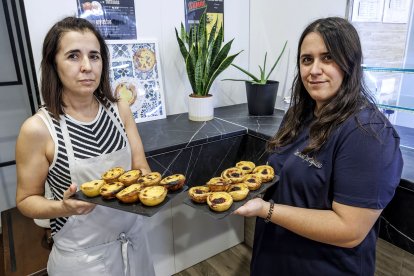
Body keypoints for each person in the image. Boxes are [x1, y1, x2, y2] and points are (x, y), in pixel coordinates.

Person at [234, 17, 403, 275]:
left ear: (350, 63)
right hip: (274, 259)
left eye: (327, 58)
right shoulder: (299, 115)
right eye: (306, 59)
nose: (314, 69)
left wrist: (266, 209)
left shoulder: (367, 133)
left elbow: (349, 230)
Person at [15, 17, 155, 275]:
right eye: (73, 56)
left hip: (135, 246)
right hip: (82, 261)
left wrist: (149, 187)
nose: (87, 67)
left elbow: (140, 166)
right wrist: (63, 207)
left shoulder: (120, 110)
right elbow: (26, 200)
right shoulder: (38, 129)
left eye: (94, 56)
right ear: (53, 64)